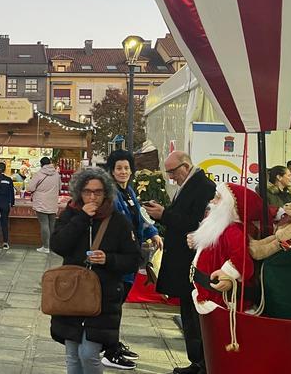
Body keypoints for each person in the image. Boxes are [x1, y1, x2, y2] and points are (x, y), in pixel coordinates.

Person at [49, 168, 142, 373]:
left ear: (106, 193)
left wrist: (109, 259)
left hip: (103, 295)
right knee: (72, 354)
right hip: (72, 292)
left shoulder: (118, 221)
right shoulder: (70, 214)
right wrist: (81, 218)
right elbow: (57, 245)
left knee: (89, 353)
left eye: (98, 192)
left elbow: (134, 259)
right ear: (79, 192)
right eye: (87, 191)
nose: (92, 197)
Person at [143, 151, 216, 374]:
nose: (171, 177)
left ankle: (201, 364)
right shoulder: (189, 183)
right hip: (181, 257)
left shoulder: (202, 186)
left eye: (173, 172)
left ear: (185, 167)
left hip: (190, 260)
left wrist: (164, 214)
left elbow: (195, 223)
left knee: (193, 315)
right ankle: (196, 362)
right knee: (188, 314)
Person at [103, 149, 163, 367]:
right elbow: (119, 223)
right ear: (111, 170)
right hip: (117, 258)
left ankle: (112, 343)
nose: (123, 171)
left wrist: (152, 233)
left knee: (118, 304)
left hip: (129, 257)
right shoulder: (110, 193)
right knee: (113, 306)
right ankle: (109, 351)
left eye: (126, 168)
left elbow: (140, 218)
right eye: (119, 168)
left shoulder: (127, 192)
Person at [187, 183, 261, 315]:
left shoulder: (233, 231)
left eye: (218, 198)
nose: (212, 202)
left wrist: (228, 274)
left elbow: (242, 261)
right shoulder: (221, 226)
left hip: (220, 300)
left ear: (230, 206)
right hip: (208, 294)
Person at [26, 156, 61, 254]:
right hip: (53, 202)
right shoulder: (57, 174)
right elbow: (60, 187)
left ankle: (46, 247)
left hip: (41, 203)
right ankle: (52, 246)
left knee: (44, 224)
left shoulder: (39, 174)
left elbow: (30, 188)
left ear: (41, 164)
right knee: (52, 225)